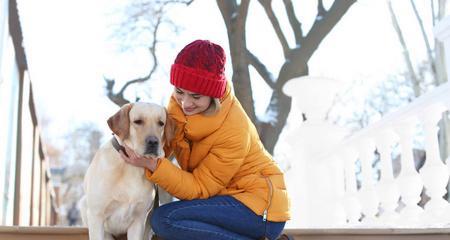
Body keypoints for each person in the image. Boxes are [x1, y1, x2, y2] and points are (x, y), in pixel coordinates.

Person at [120, 39, 290, 240]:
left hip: (259, 210)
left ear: (213, 96)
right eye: (180, 92)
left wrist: (154, 166)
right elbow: (165, 146)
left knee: (165, 219)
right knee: (161, 220)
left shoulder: (235, 130)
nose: (186, 103)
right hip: (223, 199)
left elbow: (200, 188)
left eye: (196, 96)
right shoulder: (177, 105)